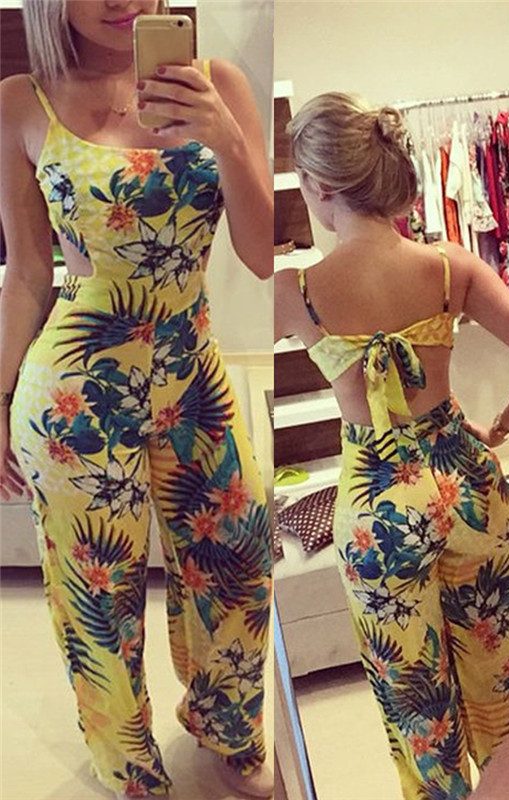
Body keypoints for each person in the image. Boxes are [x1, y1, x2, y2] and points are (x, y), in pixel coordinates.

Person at [0, 1, 274, 797]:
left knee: (241, 555)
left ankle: (226, 722)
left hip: (193, 372)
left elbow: (262, 255)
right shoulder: (22, 100)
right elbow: (28, 273)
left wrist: (225, 138)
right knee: (99, 593)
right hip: (75, 395)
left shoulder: (218, 83)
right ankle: (129, 765)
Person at [274, 92, 509, 800]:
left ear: (319, 186)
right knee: (502, 680)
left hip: (378, 509)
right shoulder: (451, 267)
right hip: (467, 482)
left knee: (415, 700)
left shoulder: (296, 291)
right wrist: (506, 426)